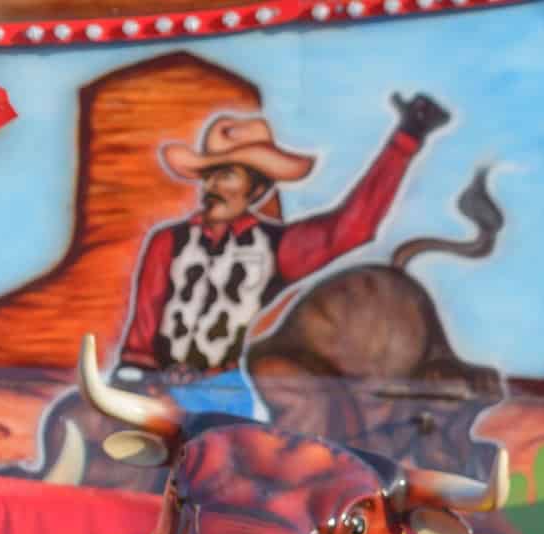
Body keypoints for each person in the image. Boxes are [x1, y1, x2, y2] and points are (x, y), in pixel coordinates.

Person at [110, 93, 453, 422]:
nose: (212, 186)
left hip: (223, 389)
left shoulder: (272, 247)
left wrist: (405, 141)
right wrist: (136, 371)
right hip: (159, 384)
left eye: (226, 176)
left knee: (258, 455)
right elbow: (146, 315)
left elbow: (351, 229)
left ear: (257, 191)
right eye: (209, 175)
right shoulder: (167, 242)